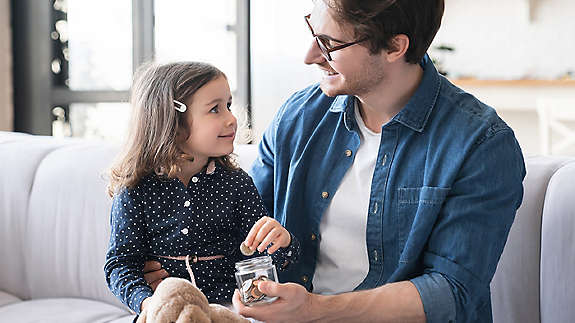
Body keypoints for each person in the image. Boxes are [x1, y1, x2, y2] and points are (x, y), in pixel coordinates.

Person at [146, 0, 526, 321]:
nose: (310, 55)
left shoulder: (481, 144)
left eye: (329, 43)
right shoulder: (299, 116)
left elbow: (452, 292)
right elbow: (241, 228)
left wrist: (313, 309)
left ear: (395, 47)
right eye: (312, 30)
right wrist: (172, 264)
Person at [103, 62, 300, 318]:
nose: (231, 119)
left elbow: (263, 262)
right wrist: (148, 303)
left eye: (228, 105)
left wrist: (283, 245)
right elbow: (121, 263)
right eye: (215, 109)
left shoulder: (236, 184)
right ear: (172, 120)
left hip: (227, 312)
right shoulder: (135, 190)